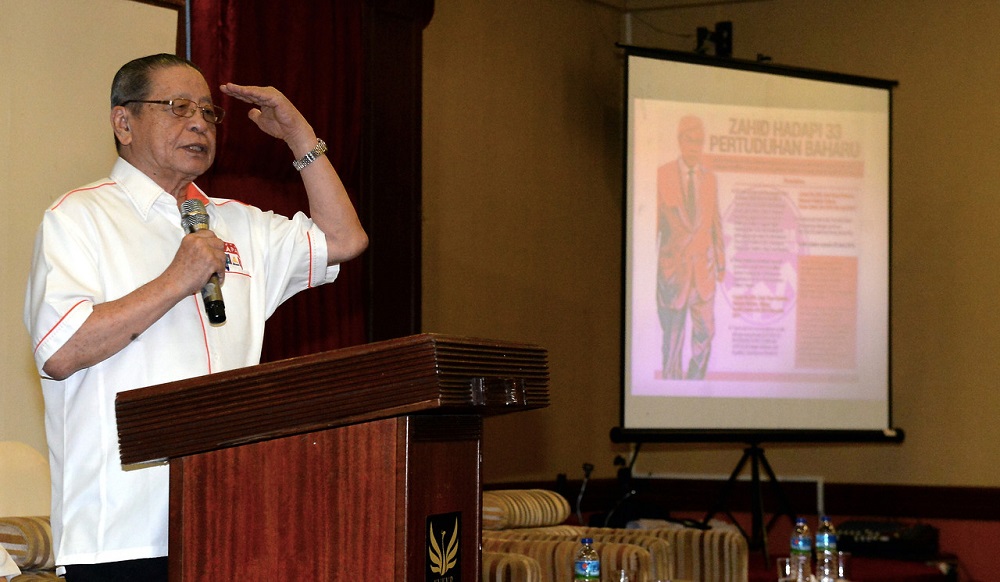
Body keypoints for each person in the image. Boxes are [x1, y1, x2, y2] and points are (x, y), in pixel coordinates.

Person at [23, 53, 368, 581]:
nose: (199, 123)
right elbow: (61, 350)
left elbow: (346, 240)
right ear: (124, 122)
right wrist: (175, 281)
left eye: (209, 113)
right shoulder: (79, 217)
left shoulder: (240, 224)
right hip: (121, 533)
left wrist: (301, 137)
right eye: (178, 107)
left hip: (229, 522)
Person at [656, 115, 725, 380]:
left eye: (699, 142)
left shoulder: (711, 180)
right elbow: (653, 224)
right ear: (680, 141)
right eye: (690, 141)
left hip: (703, 274)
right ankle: (672, 391)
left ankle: (694, 384)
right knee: (672, 340)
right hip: (674, 274)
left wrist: (721, 262)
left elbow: (715, 222)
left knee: (705, 331)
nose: (695, 147)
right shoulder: (662, 175)